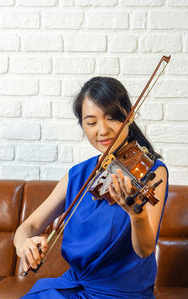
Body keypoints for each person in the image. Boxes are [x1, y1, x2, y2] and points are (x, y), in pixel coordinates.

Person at [14, 76, 169, 299]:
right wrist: (23, 243)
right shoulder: (77, 175)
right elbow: (29, 225)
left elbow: (144, 250)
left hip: (121, 293)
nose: (103, 130)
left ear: (130, 115)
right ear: (83, 126)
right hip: (72, 286)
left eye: (112, 118)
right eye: (91, 122)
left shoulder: (151, 171)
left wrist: (137, 215)